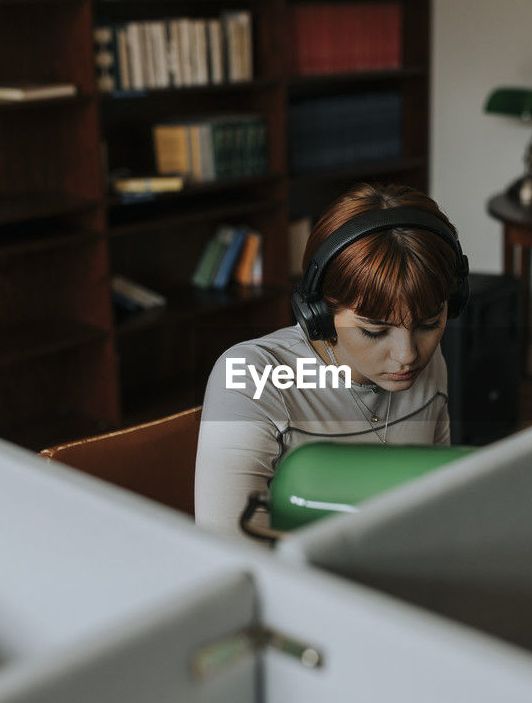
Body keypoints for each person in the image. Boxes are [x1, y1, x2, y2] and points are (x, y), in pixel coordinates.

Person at [195, 182, 469, 539]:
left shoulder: (429, 363)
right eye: (374, 330)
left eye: (430, 323)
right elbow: (232, 553)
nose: (408, 355)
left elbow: (437, 504)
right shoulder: (253, 378)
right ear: (318, 314)